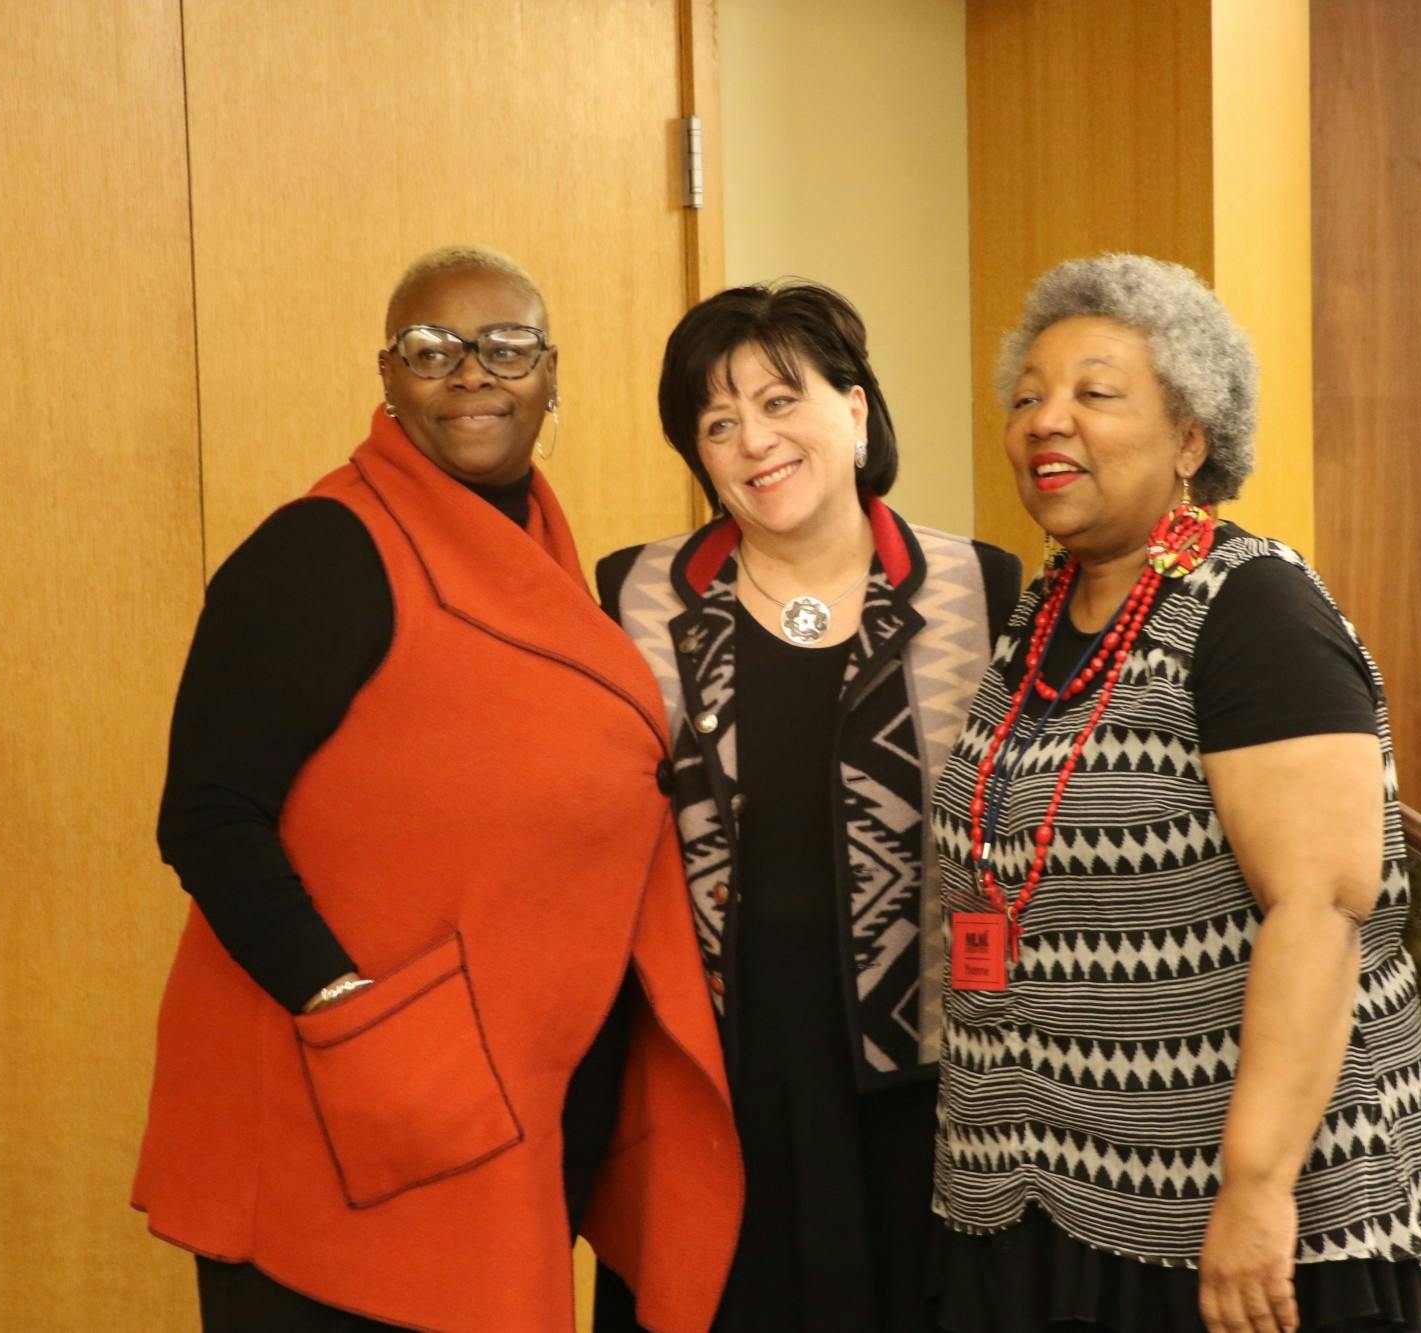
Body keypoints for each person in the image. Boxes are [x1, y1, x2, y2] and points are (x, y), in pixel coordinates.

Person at [133, 245, 741, 1332]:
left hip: (503, 1109)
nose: (471, 373)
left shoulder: (543, 553)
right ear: (387, 378)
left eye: (506, 347)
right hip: (356, 1103)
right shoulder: (322, 550)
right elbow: (208, 814)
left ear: (551, 378)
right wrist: (343, 1006)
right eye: (431, 349)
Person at [929, 254, 1421, 1333]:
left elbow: (1318, 909)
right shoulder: (1043, 612)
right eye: (1028, 395)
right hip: (1053, 1177)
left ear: (1190, 439)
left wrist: (1256, 1186)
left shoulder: (1252, 609)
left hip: (1234, 1211)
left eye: (1094, 392)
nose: (1046, 420)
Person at [593, 281, 1022, 1333]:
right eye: (717, 422)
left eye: (781, 401)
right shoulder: (633, 596)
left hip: (915, 1082)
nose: (753, 441)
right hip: (707, 1074)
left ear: (855, 410)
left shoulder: (979, 586)